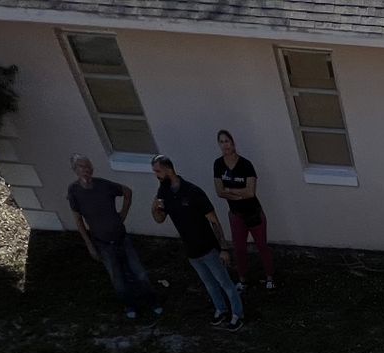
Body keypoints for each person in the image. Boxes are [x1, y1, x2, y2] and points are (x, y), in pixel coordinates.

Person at [150, 154, 243, 330]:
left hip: (208, 247)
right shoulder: (164, 193)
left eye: (158, 171)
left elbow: (214, 220)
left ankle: (237, 314)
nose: (156, 175)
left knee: (225, 282)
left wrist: (223, 248)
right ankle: (221, 309)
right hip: (191, 250)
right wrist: (154, 207)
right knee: (209, 283)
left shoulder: (193, 192)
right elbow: (160, 218)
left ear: (168, 169)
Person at [66, 154, 161, 320]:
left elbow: (127, 192)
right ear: (75, 170)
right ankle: (130, 305)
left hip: (121, 237)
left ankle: (153, 301)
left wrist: (122, 214)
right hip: (103, 243)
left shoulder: (103, 185)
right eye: (82, 166)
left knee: (139, 273)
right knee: (117, 278)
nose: (87, 170)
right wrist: (89, 244)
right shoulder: (74, 191)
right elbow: (78, 219)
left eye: (88, 166)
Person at [212, 130, 274, 291]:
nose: (225, 144)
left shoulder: (245, 164)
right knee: (239, 248)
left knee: (262, 246)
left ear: (233, 143)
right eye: (221, 141)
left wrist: (231, 191)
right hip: (235, 214)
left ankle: (269, 277)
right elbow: (219, 191)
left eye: (227, 141)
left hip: (253, 213)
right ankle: (243, 279)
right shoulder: (218, 164)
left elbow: (250, 192)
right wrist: (238, 193)